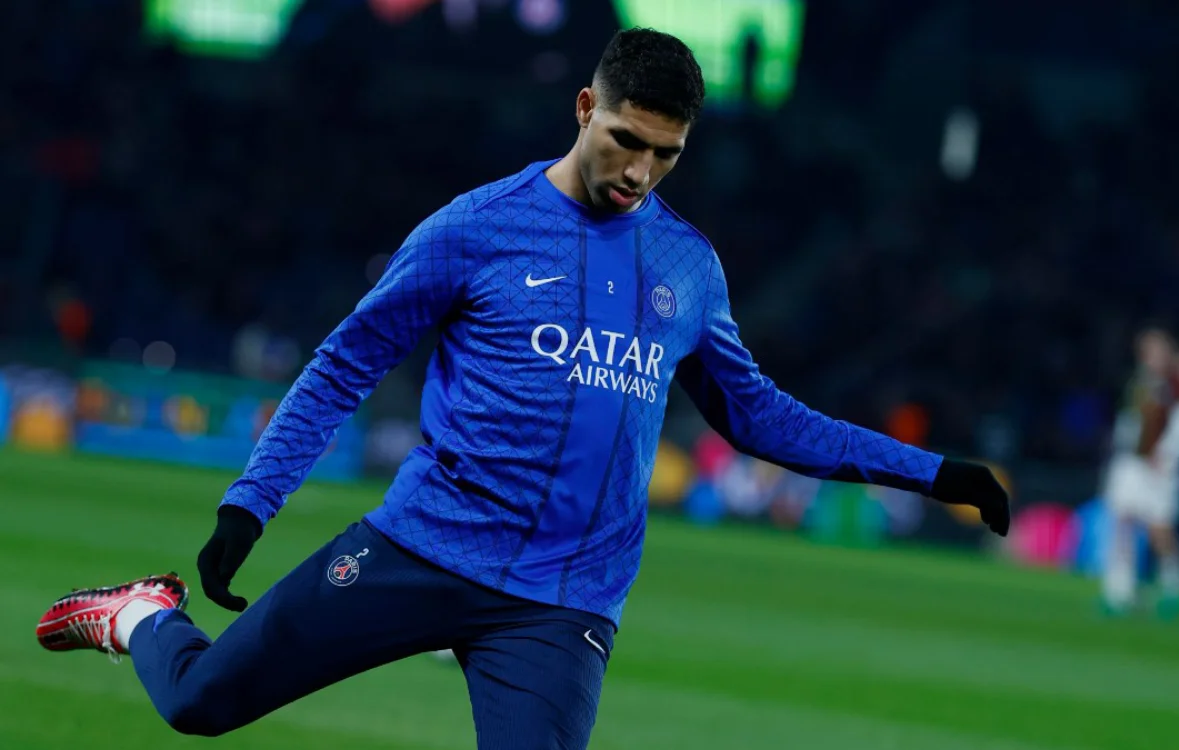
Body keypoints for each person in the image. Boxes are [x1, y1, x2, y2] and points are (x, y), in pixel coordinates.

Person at [35, 28, 1009, 749]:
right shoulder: (473, 228)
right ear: (586, 109)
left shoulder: (689, 268)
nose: (641, 171)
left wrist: (932, 474)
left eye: (667, 153)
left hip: (561, 600)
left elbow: (754, 413)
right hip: (424, 545)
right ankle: (139, 615)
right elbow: (347, 361)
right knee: (203, 705)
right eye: (627, 139)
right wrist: (251, 503)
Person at [1099, 328, 1179, 618]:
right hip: (1130, 464)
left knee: (1159, 530)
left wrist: (1166, 455)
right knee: (1122, 524)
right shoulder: (1138, 383)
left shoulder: (1177, 388)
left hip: (1159, 468)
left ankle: (1173, 585)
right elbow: (1128, 421)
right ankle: (1119, 590)